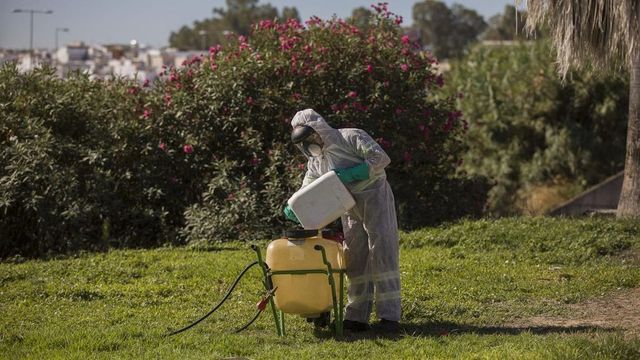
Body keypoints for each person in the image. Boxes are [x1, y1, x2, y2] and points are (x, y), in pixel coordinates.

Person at [283, 108, 401, 333]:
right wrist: (292, 205)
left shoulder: (351, 136)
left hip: (374, 195)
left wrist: (354, 173)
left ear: (319, 130)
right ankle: (357, 316)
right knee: (355, 258)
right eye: (303, 143)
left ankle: (389, 316)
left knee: (382, 251)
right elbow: (308, 185)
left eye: (310, 138)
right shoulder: (316, 161)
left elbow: (381, 158)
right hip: (347, 204)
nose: (309, 144)